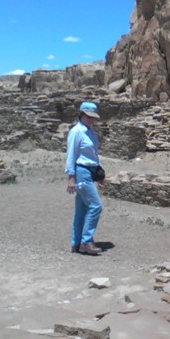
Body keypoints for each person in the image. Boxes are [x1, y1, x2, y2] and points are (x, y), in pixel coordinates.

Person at [65, 101, 104, 255]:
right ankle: (86, 241)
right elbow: (71, 155)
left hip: (90, 171)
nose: (91, 120)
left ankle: (76, 243)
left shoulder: (90, 131)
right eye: (88, 116)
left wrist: (99, 170)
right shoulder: (76, 131)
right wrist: (71, 177)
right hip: (81, 171)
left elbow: (93, 153)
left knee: (82, 210)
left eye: (93, 117)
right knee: (95, 206)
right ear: (81, 114)